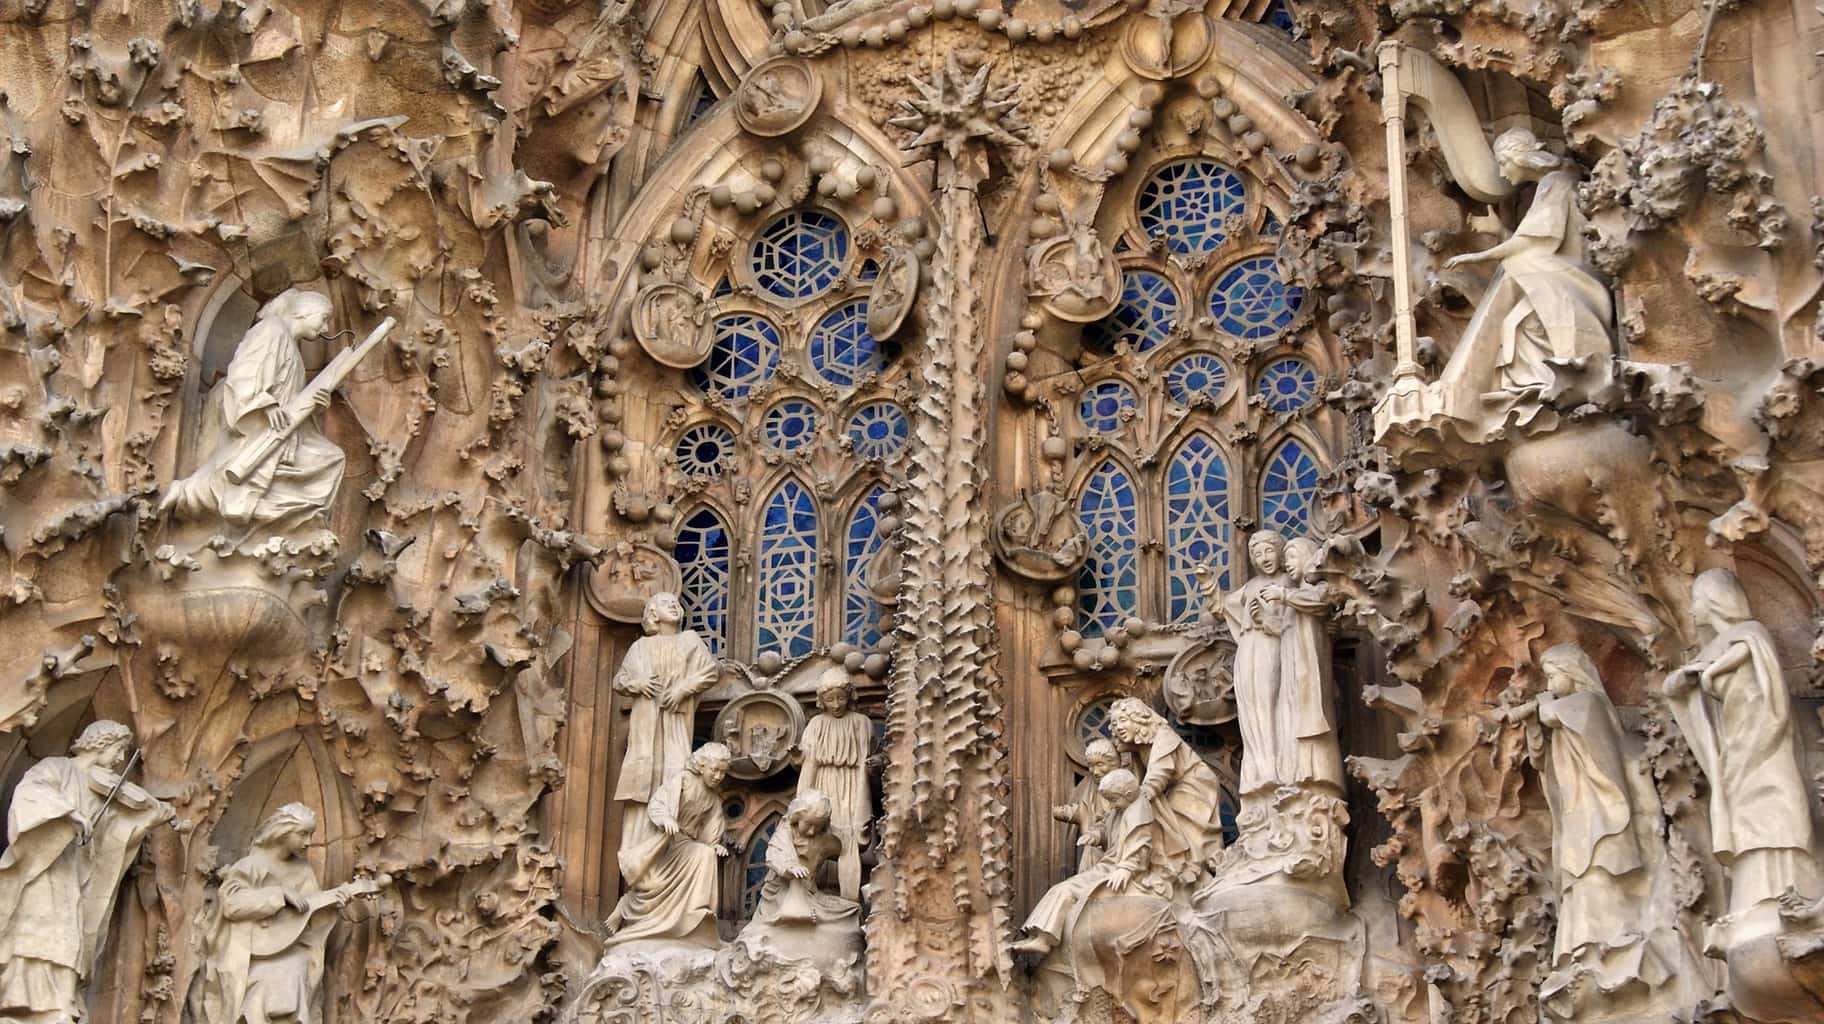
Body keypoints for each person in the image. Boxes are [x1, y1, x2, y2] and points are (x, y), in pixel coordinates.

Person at [1434, 128, 1613, 441]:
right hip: (1551, 272)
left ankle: (1550, 380)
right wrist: (1500, 233)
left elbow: (1532, 242)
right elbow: (1533, 241)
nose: (1502, 172)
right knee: (1516, 321)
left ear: (1520, 157)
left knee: (1517, 289)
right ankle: (1534, 387)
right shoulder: (1552, 182)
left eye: (1503, 163)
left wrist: (1477, 257)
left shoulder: (1556, 182)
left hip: (1569, 277)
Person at [1665, 568, 1820, 920]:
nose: (1692, 612)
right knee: (1745, 814)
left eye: (1697, 603)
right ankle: (1755, 899)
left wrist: (1711, 671)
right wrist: (1690, 675)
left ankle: (1791, 889)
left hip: (1765, 733)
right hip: (1736, 740)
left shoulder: (1749, 632)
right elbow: (1674, 685)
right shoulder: (1718, 646)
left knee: (1775, 804)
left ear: (1716, 602)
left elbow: (1746, 651)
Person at [0, 720, 172, 1024]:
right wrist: (68, 813)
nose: (120, 759)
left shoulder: (102, 786)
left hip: (76, 871)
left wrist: (149, 818)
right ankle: (25, 1001)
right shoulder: (57, 768)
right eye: (118, 750)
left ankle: (63, 1002)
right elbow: (29, 795)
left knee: (73, 936)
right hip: (46, 866)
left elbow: (113, 837)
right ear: (100, 744)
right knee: (44, 930)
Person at [162, 289, 346, 531]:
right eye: (323, 319)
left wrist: (317, 404)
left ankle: (286, 520)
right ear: (304, 312)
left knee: (330, 458)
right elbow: (246, 370)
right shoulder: (272, 329)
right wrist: (264, 404)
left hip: (283, 428)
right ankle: (188, 494)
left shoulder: (294, 352)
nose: (325, 329)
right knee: (238, 473)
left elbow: (292, 399)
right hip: (260, 420)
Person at [189, 803, 387, 1023]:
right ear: (282, 831)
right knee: (264, 980)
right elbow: (231, 904)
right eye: (302, 834)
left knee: (293, 971)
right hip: (247, 952)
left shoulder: (304, 871)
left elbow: (307, 915)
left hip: (292, 951)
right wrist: (279, 894)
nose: (308, 842)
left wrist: (332, 904)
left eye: (310, 835)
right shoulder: (251, 865)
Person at [1222, 531, 1344, 797]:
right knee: (1263, 712)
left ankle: (1293, 776)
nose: (1267, 559)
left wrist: (1280, 601)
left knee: (1289, 716)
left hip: (1295, 667)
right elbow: (1224, 607)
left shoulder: (1302, 590)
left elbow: (1318, 607)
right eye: (1257, 553)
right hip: (1261, 655)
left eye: (1288, 556)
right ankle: (1269, 773)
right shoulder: (1262, 587)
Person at [1010, 769, 1168, 958]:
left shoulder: (1138, 813)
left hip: (1114, 870)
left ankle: (1043, 940)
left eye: (1114, 799)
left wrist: (1126, 868)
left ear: (1128, 793)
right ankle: (1038, 935)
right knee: (1060, 889)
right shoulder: (1123, 807)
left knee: (1065, 890)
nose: (1111, 805)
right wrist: (1095, 835)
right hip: (1107, 865)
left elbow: (1140, 844)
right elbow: (1106, 826)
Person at [612, 592, 720, 852]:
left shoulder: (689, 640)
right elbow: (619, 681)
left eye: (675, 603)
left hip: (676, 719)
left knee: (675, 771)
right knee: (643, 780)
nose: (673, 605)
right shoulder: (639, 647)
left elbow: (710, 671)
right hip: (645, 724)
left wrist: (683, 689)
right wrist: (636, 683)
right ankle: (639, 846)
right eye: (663, 603)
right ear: (651, 614)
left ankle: (674, 843)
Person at [603, 744, 732, 951]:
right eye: (714, 770)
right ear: (701, 766)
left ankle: (696, 912)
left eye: (722, 772)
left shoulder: (713, 799)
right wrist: (665, 819)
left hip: (687, 843)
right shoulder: (683, 782)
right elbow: (658, 804)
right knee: (655, 883)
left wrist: (715, 845)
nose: (717, 776)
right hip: (666, 840)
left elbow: (711, 830)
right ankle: (626, 906)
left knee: (706, 854)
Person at [1106, 699, 1224, 882]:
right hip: (1170, 788)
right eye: (1114, 723)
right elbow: (1138, 779)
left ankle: (1194, 872)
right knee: (1162, 820)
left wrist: (1138, 800)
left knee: (1191, 834)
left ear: (1139, 719)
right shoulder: (1136, 746)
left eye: (1124, 720)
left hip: (1194, 784)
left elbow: (1159, 774)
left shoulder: (1164, 736)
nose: (1119, 727)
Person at [796, 670, 872, 900]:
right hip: (822, 786)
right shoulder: (816, 724)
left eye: (841, 697)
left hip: (851, 787)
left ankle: (849, 900)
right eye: (830, 699)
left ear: (850, 696)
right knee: (817, 835)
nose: (836, 704)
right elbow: (808, 761)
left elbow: (866, 762)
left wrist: (862, 804)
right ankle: (808, 897)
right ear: (821, 700)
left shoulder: (862, 723)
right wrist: (802, 800)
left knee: (847, 839)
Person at [1052, 739, 1121, 871]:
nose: (1095, 771)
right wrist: (1065, 813)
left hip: (1119, 850)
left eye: (1100, 764)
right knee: (1091, 851)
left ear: (1114, 763)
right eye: (1091, 765)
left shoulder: (1125, 785)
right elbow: (1084, 810)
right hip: (1094, 845)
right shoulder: (1090, 787)